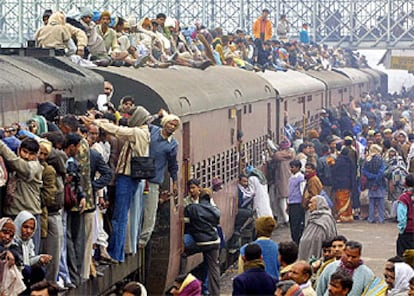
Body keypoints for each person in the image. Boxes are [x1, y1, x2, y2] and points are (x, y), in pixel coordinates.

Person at [139, 113, 180, 248]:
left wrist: (175, 182)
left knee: (150, 211)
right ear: (164, 123)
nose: (172, 127)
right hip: (138, 174)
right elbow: (142, 122)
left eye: (175, 125)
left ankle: (142, 240)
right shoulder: (152, 130)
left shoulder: (173, 145)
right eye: (170, 124)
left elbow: (173, 165)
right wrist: (157, 115)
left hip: (153, 179)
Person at [0, 137, 43, 253]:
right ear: (19, 150)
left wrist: (1, 146)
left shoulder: (35, 167)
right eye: (24, 152)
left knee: (29, 254)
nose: (27, 157)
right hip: (12, 214)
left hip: (29, 216)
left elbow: (17, 163)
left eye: (32, 154)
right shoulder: (11, 166)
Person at [184, 188, 220, 295]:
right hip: (214, 242)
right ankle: (215, 293)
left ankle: (181, 282)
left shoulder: (192, 208)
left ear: (200, 198)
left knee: (182, 253)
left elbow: (185, 219)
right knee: (213, 269)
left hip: (200, 242)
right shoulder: (216, 211)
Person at [14, 211, 53, 291]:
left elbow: (29, 260)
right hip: (15, 275)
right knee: (26, 270)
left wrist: (39, 259)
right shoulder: (13, 241)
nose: (28, 231)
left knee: (39, 271)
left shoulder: (29, 242)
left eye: (31, 228)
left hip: (25, 274)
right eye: (25, 227)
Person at [298, 196, 337, 261]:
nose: (309, 205)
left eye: (311, 203)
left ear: (319, 204)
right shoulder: (311, 217)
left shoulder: (326, 218)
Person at [362, 144, 386, 223]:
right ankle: (381, 218)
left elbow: (363, 171)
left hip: (370, 183)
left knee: (371, 202)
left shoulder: (367, 160)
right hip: (380, 183)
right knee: (381, 203)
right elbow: (382, 172)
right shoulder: (380, 160)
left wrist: (371, 177)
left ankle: (371, 218)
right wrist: (376, 180)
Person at [332, 148, 356, 223]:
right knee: (346, 200)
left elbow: (334, 172)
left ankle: (341, 216)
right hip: (347, 184)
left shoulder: (338, 161)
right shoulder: (350, 161)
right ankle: (348, 216)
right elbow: (353, 174)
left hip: (338, 184)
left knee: (340, 200)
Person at [288, 160, 305, 245]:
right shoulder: (291, 177)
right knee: (292, 222)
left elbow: (302, 191)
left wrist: (303, 202)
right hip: (292, 202)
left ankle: (297, 240)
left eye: (292, 167)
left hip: (297, 203)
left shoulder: (301, 178)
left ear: (298, 168)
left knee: (297, 223)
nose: (291, 169)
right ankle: (294, 239)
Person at [396, 174, 414, 257]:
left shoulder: (404, 198)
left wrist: (401, 230)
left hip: (408, 232)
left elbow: (402, 218)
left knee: (403, 258)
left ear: (405, 183)